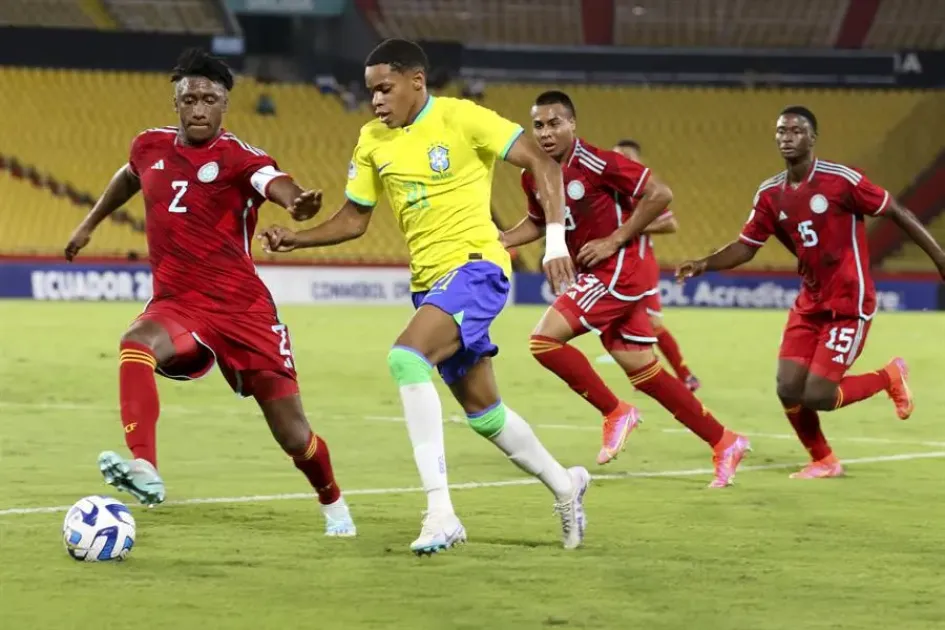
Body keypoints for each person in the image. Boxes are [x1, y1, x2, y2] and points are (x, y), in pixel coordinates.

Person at [257, 39, 589, 554]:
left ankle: (440, 512)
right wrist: (294, 237)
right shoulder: (372, 140)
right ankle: (566, 486)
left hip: (477, 268)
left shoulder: (462, 118)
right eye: (370, 92)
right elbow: (355, 219)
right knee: (485, 413)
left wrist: (553, 242)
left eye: (385, 88)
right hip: (429, 285)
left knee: (406, 359)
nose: (376, 101)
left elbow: (543, 166)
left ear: (416, 81)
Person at [63, 49, 356, 536]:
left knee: (292, 433)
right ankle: (145, 466)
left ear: (225, 105)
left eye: (210, 100)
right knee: (136, 344)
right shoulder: (149, 147)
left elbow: (275, 182)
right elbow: (129, 176)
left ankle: (333, 501)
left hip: (243, 311)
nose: (199, 108)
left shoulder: (241, 158)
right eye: (190, 99)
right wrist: (90, 223)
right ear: (176, 103)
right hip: (178, 305)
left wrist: (297, 203)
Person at [676, 105, 945, 478]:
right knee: (788, 388)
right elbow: (746, 245)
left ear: (812, 138)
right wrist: (704, 263)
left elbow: (896, 211)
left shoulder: (841, 181)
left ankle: (889, 376)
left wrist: (940, 259)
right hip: (811, 301)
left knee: (818, 396)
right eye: (781, 131)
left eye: (796, 131)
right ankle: (824, 460)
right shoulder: (770, 194)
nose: (786, 137)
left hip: (850, 302)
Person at [500, 90, 749, 487]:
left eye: (554, 123)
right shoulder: (533, 173)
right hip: (598, 274)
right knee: (644, 372)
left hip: (616, 271)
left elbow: (661, 195)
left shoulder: (597, 162)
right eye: (539, 125)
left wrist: (616, 238)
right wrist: (502, 241)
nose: (546, 133)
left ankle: (615, 411)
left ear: (572, 124)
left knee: (544, 342)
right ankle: (726, 441)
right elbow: (536, 220)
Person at [609, 139, 700, 392]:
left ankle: (685, 376)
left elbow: (670, 224)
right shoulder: (610, 189)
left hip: (640, 266)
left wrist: (632, 227)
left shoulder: (645, 189)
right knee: (621, 322)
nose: (622, 160)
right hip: (616, 267)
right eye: (617, 156)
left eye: (627, 155)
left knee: (653, 324)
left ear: (638, 161)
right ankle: (647, 372)